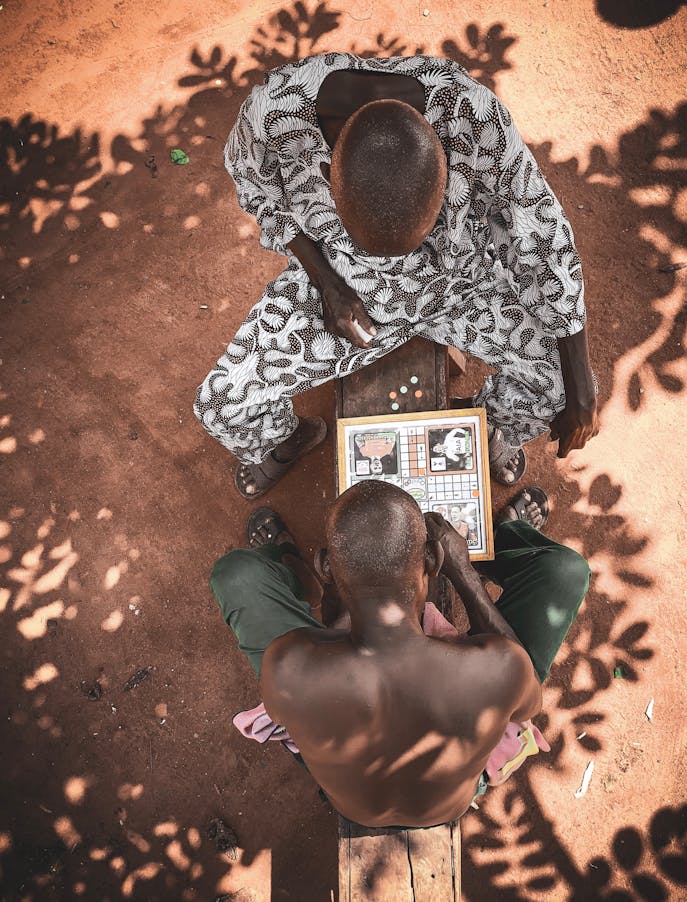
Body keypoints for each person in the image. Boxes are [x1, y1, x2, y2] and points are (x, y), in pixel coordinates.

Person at [194, 54, 598, 499]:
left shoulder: (475, 119)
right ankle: (290, 438)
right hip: (343, 288)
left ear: (445, 177)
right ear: (330, 180)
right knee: (221, 403)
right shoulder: (272, 114)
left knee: (566, 387)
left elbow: (542, 233)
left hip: (460, 286)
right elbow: (258, 193)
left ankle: (486, 429)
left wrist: (580, 385)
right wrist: (328, 285)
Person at [210, 481, 590, 828]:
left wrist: (343, 606)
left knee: (236, 575)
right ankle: (497, 538)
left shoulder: (289, 666)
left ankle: (293, 565)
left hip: (351, 800)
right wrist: (465, 575)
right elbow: (526, 708)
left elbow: (319, 677)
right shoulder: (496, 668)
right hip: (451, 799)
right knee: (565, 572)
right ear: (434, 561)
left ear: (326, 566)